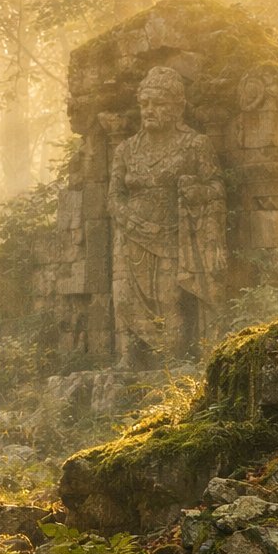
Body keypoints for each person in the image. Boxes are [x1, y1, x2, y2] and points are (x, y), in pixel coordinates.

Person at [109, 66, 227, 368]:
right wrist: (128, 219)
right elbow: (114, 196)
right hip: (131, 235)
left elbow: (216, 187)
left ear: (177, 108)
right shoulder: (125, 149)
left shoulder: (195, 145)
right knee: (124, 299)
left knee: (168, 297)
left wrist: (195, 191)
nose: (149, 110)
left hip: (173, 236)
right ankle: (130, 355)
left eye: (158, 104)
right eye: (145, 103)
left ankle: (172, 362)